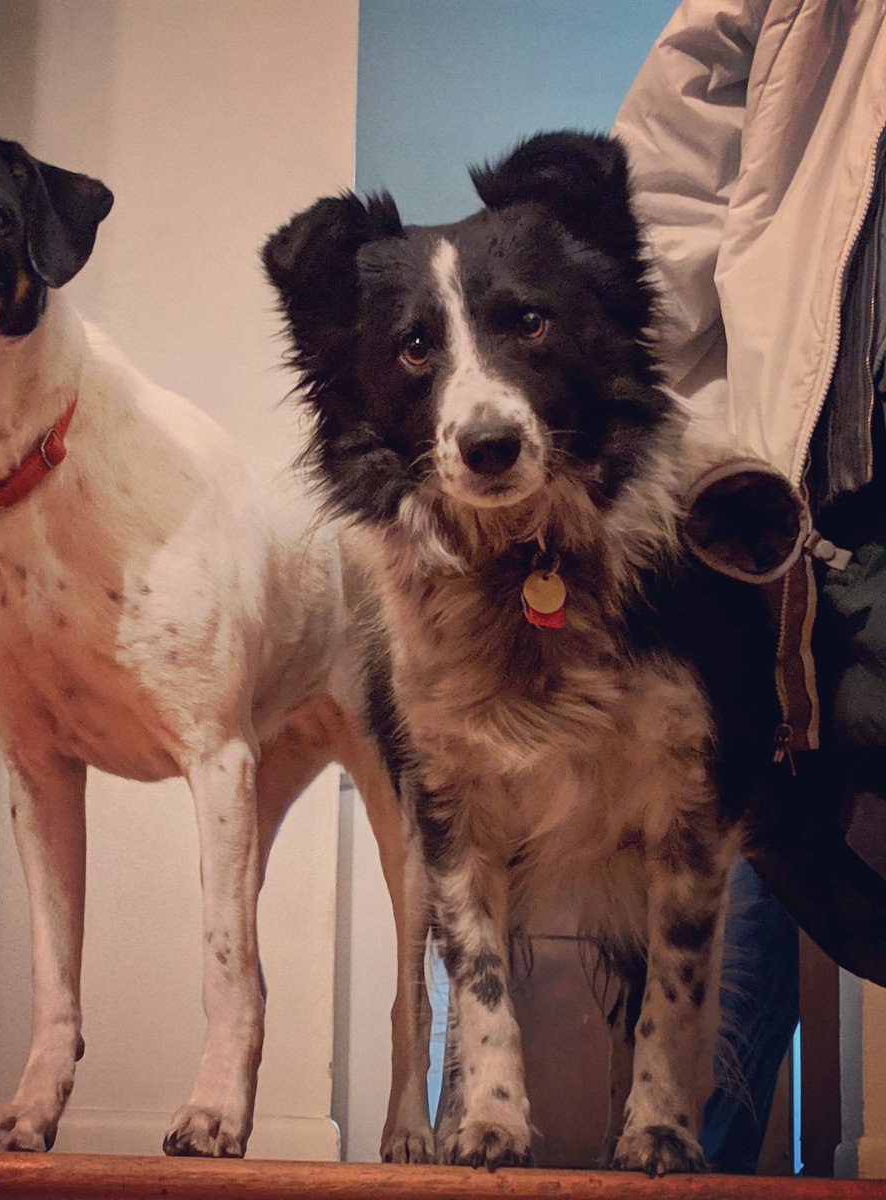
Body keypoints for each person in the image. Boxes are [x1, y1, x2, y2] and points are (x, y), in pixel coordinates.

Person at [613, 0, 886, 1172]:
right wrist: (687, 443)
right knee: (755, 824)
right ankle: (692, 1155)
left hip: (815, 493)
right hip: (813, 503)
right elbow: (661, 193)